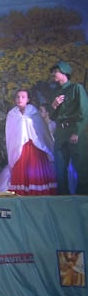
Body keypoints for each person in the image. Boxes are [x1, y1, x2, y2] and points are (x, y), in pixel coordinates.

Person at [6, 89, 57, 195]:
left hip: (35, 148)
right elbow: (10, 134)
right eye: (18, 97)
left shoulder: (33, 112)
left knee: (35, 172)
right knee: (21, 173)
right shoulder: (12, 114)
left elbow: (41, 130)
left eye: (23, 97)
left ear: (28, 99)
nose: (20, 99)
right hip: (19, 149)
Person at [48, 61, 88, 195]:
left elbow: (84, 112)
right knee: (59, 170)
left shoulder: (77, 88)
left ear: (64, 72)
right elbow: (53, 117)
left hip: (74, 131)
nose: (53, 74)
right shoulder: (55, 92)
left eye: (56, 71)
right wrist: (54, 105)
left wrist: (77, 132)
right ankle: (63, 200)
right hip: (60, 133)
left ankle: (83, 201)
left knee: (81, 168)